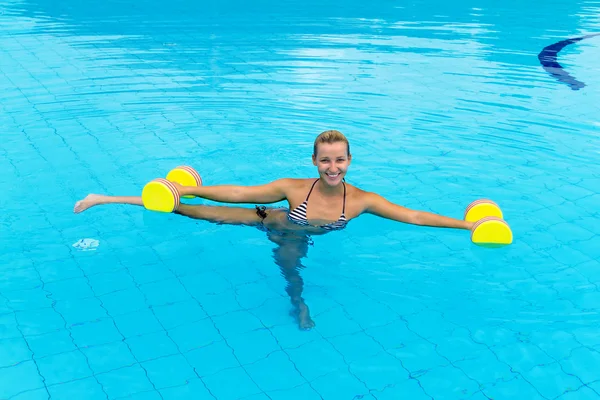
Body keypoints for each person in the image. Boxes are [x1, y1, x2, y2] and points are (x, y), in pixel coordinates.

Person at [74, 130, 474, 330]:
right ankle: (105, 197)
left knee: (291, 263)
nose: (332, 167)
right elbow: (237, 193)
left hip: (297, 235)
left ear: (350, 160)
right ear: (314, 162)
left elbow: (416, 216)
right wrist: (188, 187)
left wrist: (468, 224)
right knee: (192, 212)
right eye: (324, 161)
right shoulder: (294, 187)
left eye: (339, 160)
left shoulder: (365, 200)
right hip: (270, 220)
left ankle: (296, 299)